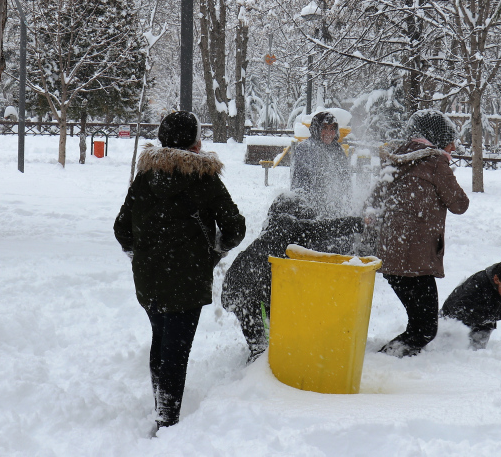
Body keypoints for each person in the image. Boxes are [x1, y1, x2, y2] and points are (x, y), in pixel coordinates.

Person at [114, 111, 246, 431]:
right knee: (176, 349)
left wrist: (144, 256)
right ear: (193, 142)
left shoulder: (145, 177)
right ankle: (167, 420)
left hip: (149, 279)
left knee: (161, 340)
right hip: (187, 280)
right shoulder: (204, 179)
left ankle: (162, 407)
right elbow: (235, 228)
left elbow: (122, 229)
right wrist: (215, 252)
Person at [365, 109, 469, 358]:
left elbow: (372, 203)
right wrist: (443, 165)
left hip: (391, 258)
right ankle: (384, 361)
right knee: (424, 329)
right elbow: (459, 204)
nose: (452, 146)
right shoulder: (434, 163)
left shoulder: (396, 158)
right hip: (417, 262)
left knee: (418, 324)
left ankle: (394, 360)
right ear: (436, 136)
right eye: (449, 139)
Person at [221, 192, 363, 362]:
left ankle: (260, 350)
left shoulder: (271, 229)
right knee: (276, 306)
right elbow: (324, 228)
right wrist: (358, 223)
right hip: (252, 283)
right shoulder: (292, 226)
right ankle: (268, 355)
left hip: (234, 285)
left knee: (253, 313)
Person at [440, 257, 501, 350]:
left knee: (477, 353)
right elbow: (457, 317)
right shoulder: (476, 287)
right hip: (453, 321)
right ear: (496, 279)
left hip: (485, 323)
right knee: (455, 351)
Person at [291, 111, 352, 218]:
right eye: (325, 128)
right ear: (316, 129)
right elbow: (299, 185)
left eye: (332, 128)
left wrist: (344, 205)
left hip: (335, 211)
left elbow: (345, 181)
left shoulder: (337, 150)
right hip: (311, 213)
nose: (329, 133)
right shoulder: (306, 149)